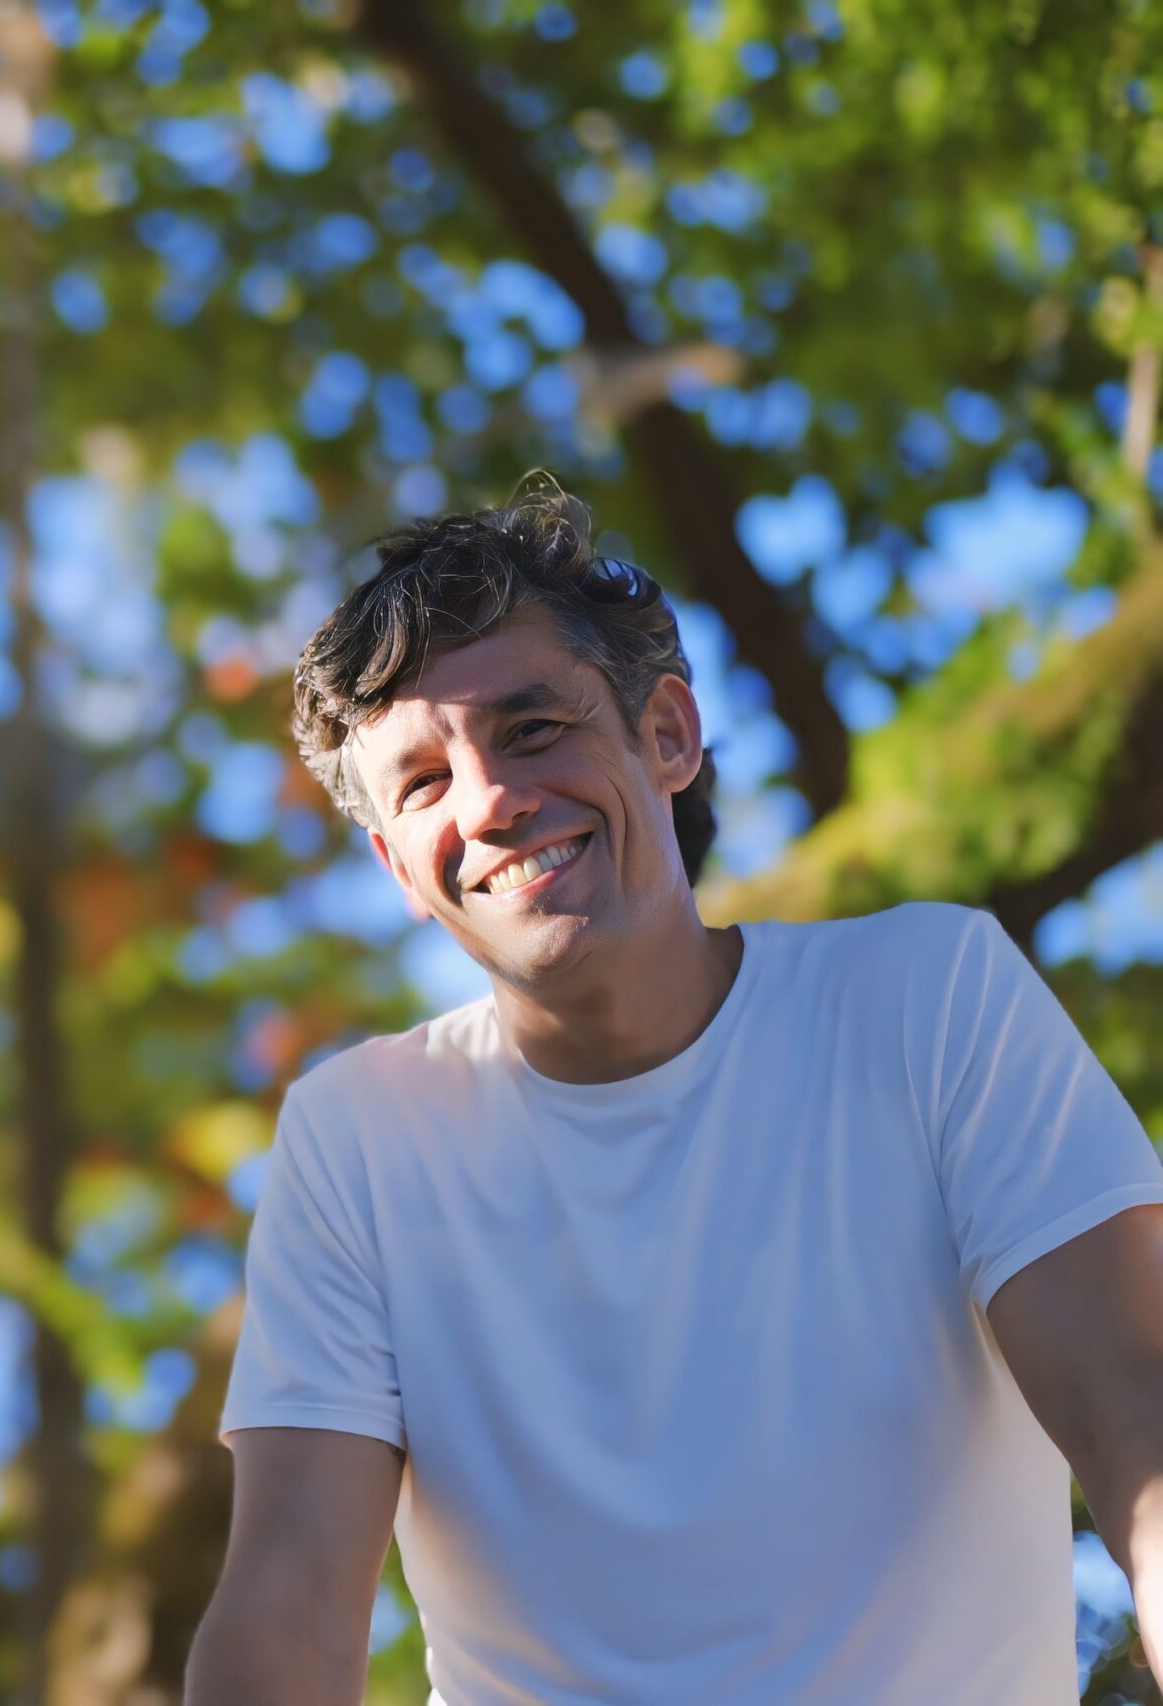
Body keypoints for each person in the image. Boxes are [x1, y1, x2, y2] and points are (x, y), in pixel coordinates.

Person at [186, 489, 1163, 1702]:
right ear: (394, 864)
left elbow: (1137, 1419)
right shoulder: (357, 1139)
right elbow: (285, 1607)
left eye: (533, 727)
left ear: (667, 733)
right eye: (424, 781)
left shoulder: (926, 995)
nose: (488, 799)